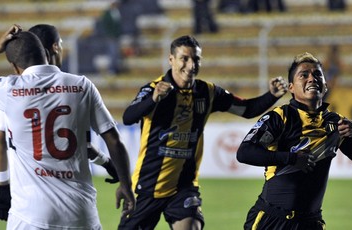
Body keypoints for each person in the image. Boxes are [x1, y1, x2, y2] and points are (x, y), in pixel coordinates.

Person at [0, 25, 135, 229]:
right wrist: (125, 184)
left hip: (30, 215)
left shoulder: (8, 90)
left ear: (14, 66)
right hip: (81, 214)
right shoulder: (82, 85)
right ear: (47, 52)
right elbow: (113, 139)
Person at [119, 35, 288, 229]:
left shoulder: (207, 92)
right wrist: (154, 99)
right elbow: (128, 117)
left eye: (196, 59)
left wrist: (271, 96)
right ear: (171, 59)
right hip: (147, 187)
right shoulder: (153, 89)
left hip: (184, 188)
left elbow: (246, 109)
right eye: (184, 58)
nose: (191, 65)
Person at [0, 23, 122, 221]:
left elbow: (0, 140)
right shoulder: (78, 86)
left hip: (31, 211)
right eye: (60, 43)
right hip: (77, 209)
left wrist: (2, 187)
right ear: (54, 47)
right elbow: (86, 144)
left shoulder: (15, 91)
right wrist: (108, 163)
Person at [236, 52, 352, 230]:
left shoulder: (335, 123)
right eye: (304, 75)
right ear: (291, 88)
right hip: (272, 220)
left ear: (325, 86)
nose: (312, 78)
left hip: (310, 223)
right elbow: (244, 152)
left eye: (317, 74)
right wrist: (291, 158)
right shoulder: (280, 117)